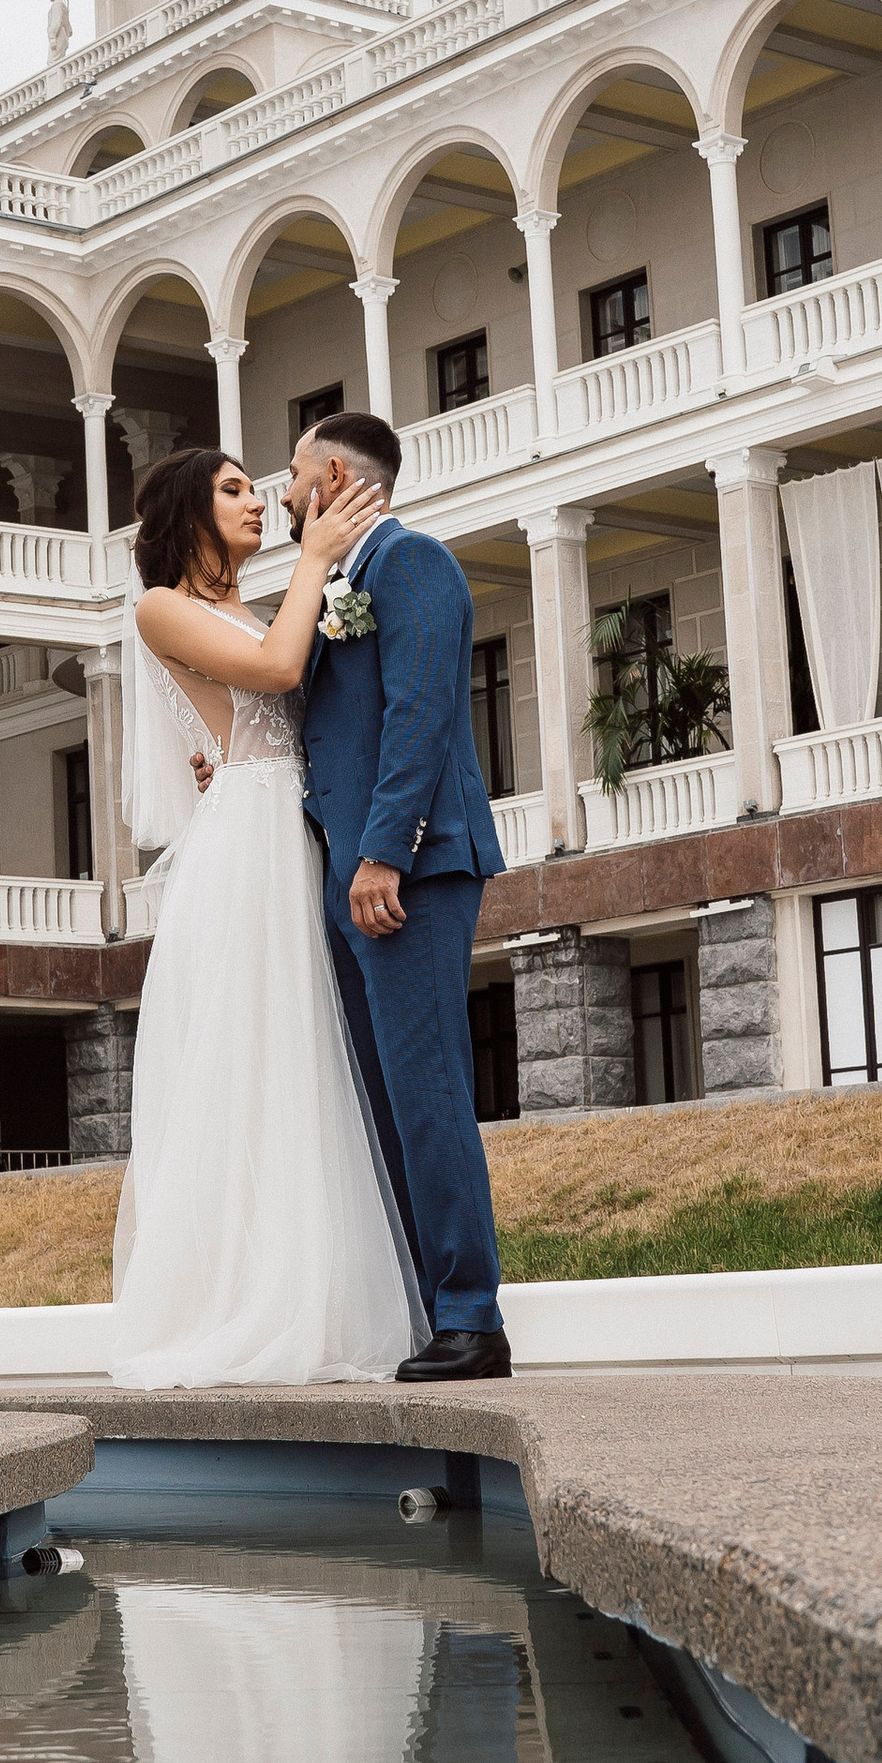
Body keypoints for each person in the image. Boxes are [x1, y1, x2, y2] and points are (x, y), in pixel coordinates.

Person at [107, 446, 426, 1387]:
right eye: (234, 490)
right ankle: (242, 1302)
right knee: (256, 1063)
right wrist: (318, 556)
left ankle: (318, 1292)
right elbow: (280, 670)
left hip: (299, 829)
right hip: (249, 846)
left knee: (309, 1061)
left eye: (256, 487)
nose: (259, 502)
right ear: (187, 512)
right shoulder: (161, 606)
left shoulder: (252, 606)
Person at [288, 411, 511, 1382]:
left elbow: (420, 714)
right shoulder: (335, 582)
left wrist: (383, 853)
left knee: (427, 1091)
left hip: (406, 873)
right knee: (382, 1098)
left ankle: (471, 1317)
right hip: (352, 877)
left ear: (334, 477)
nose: (284, 495)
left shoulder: (411, 563)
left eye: (293, 475)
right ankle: (427, 1310)